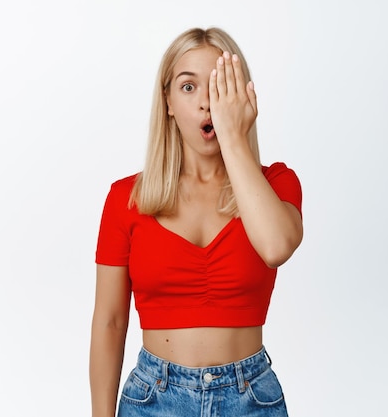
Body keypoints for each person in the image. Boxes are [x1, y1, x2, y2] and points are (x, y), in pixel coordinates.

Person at [89, 27, 303, 417]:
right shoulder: (125, 198)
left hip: (251, 399)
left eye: (220, 86)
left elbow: (275, 247)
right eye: (189, 87)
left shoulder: (277, 184)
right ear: (167, 100)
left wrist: (234, 137)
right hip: (153, 400)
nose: (207, 102)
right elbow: (110, 321)